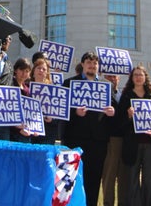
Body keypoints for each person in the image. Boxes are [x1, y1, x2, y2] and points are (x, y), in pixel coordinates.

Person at [61, 52, 115, 206]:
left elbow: (112, 113)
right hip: (75, 138)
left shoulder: (107, 87)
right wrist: (75, 112)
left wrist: (112, 112)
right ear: (83, 65)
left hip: (98, 142)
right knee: (72, 178)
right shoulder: (69, 83)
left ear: (98, 67)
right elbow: (62, 111)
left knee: (94, 179)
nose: (92, 65)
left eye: (95, 63)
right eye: (89, 62)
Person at [118, 66, 151, 206]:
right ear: (132, 78)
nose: (138, 77)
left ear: (145, 78)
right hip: (132, 144)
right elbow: (119, 123)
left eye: (140, 75)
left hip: (150, 144)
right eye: (135, 75)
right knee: (132, 178)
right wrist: (128, 116)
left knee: (149, 178)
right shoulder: (126, 97)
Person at [101, 73, 126, 206]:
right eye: (109, 76)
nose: (112, 79)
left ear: (118, 79)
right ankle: (108, 202)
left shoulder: (124, 95)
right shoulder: (101, 94)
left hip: (125, 139)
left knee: (123, 176)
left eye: (114, 77)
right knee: (109, 175)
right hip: (110, 138)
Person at [30, 57, 60, 144]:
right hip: (29, 133)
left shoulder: (53, 91)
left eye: (44, 69)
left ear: (47, 73)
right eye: (39, 68)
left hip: (47, 134)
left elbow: (60, 113)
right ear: (33, 71)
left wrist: (52, 119)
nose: (41, 70)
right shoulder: (26, 88)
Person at [9, 57, 32, 142]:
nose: (24, 73)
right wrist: (17, 128)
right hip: (11, 130)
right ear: (15, 70)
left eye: (27, 71)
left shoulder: (28, 89)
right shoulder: (10, 84)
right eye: (21, 70)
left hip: (25, 130)